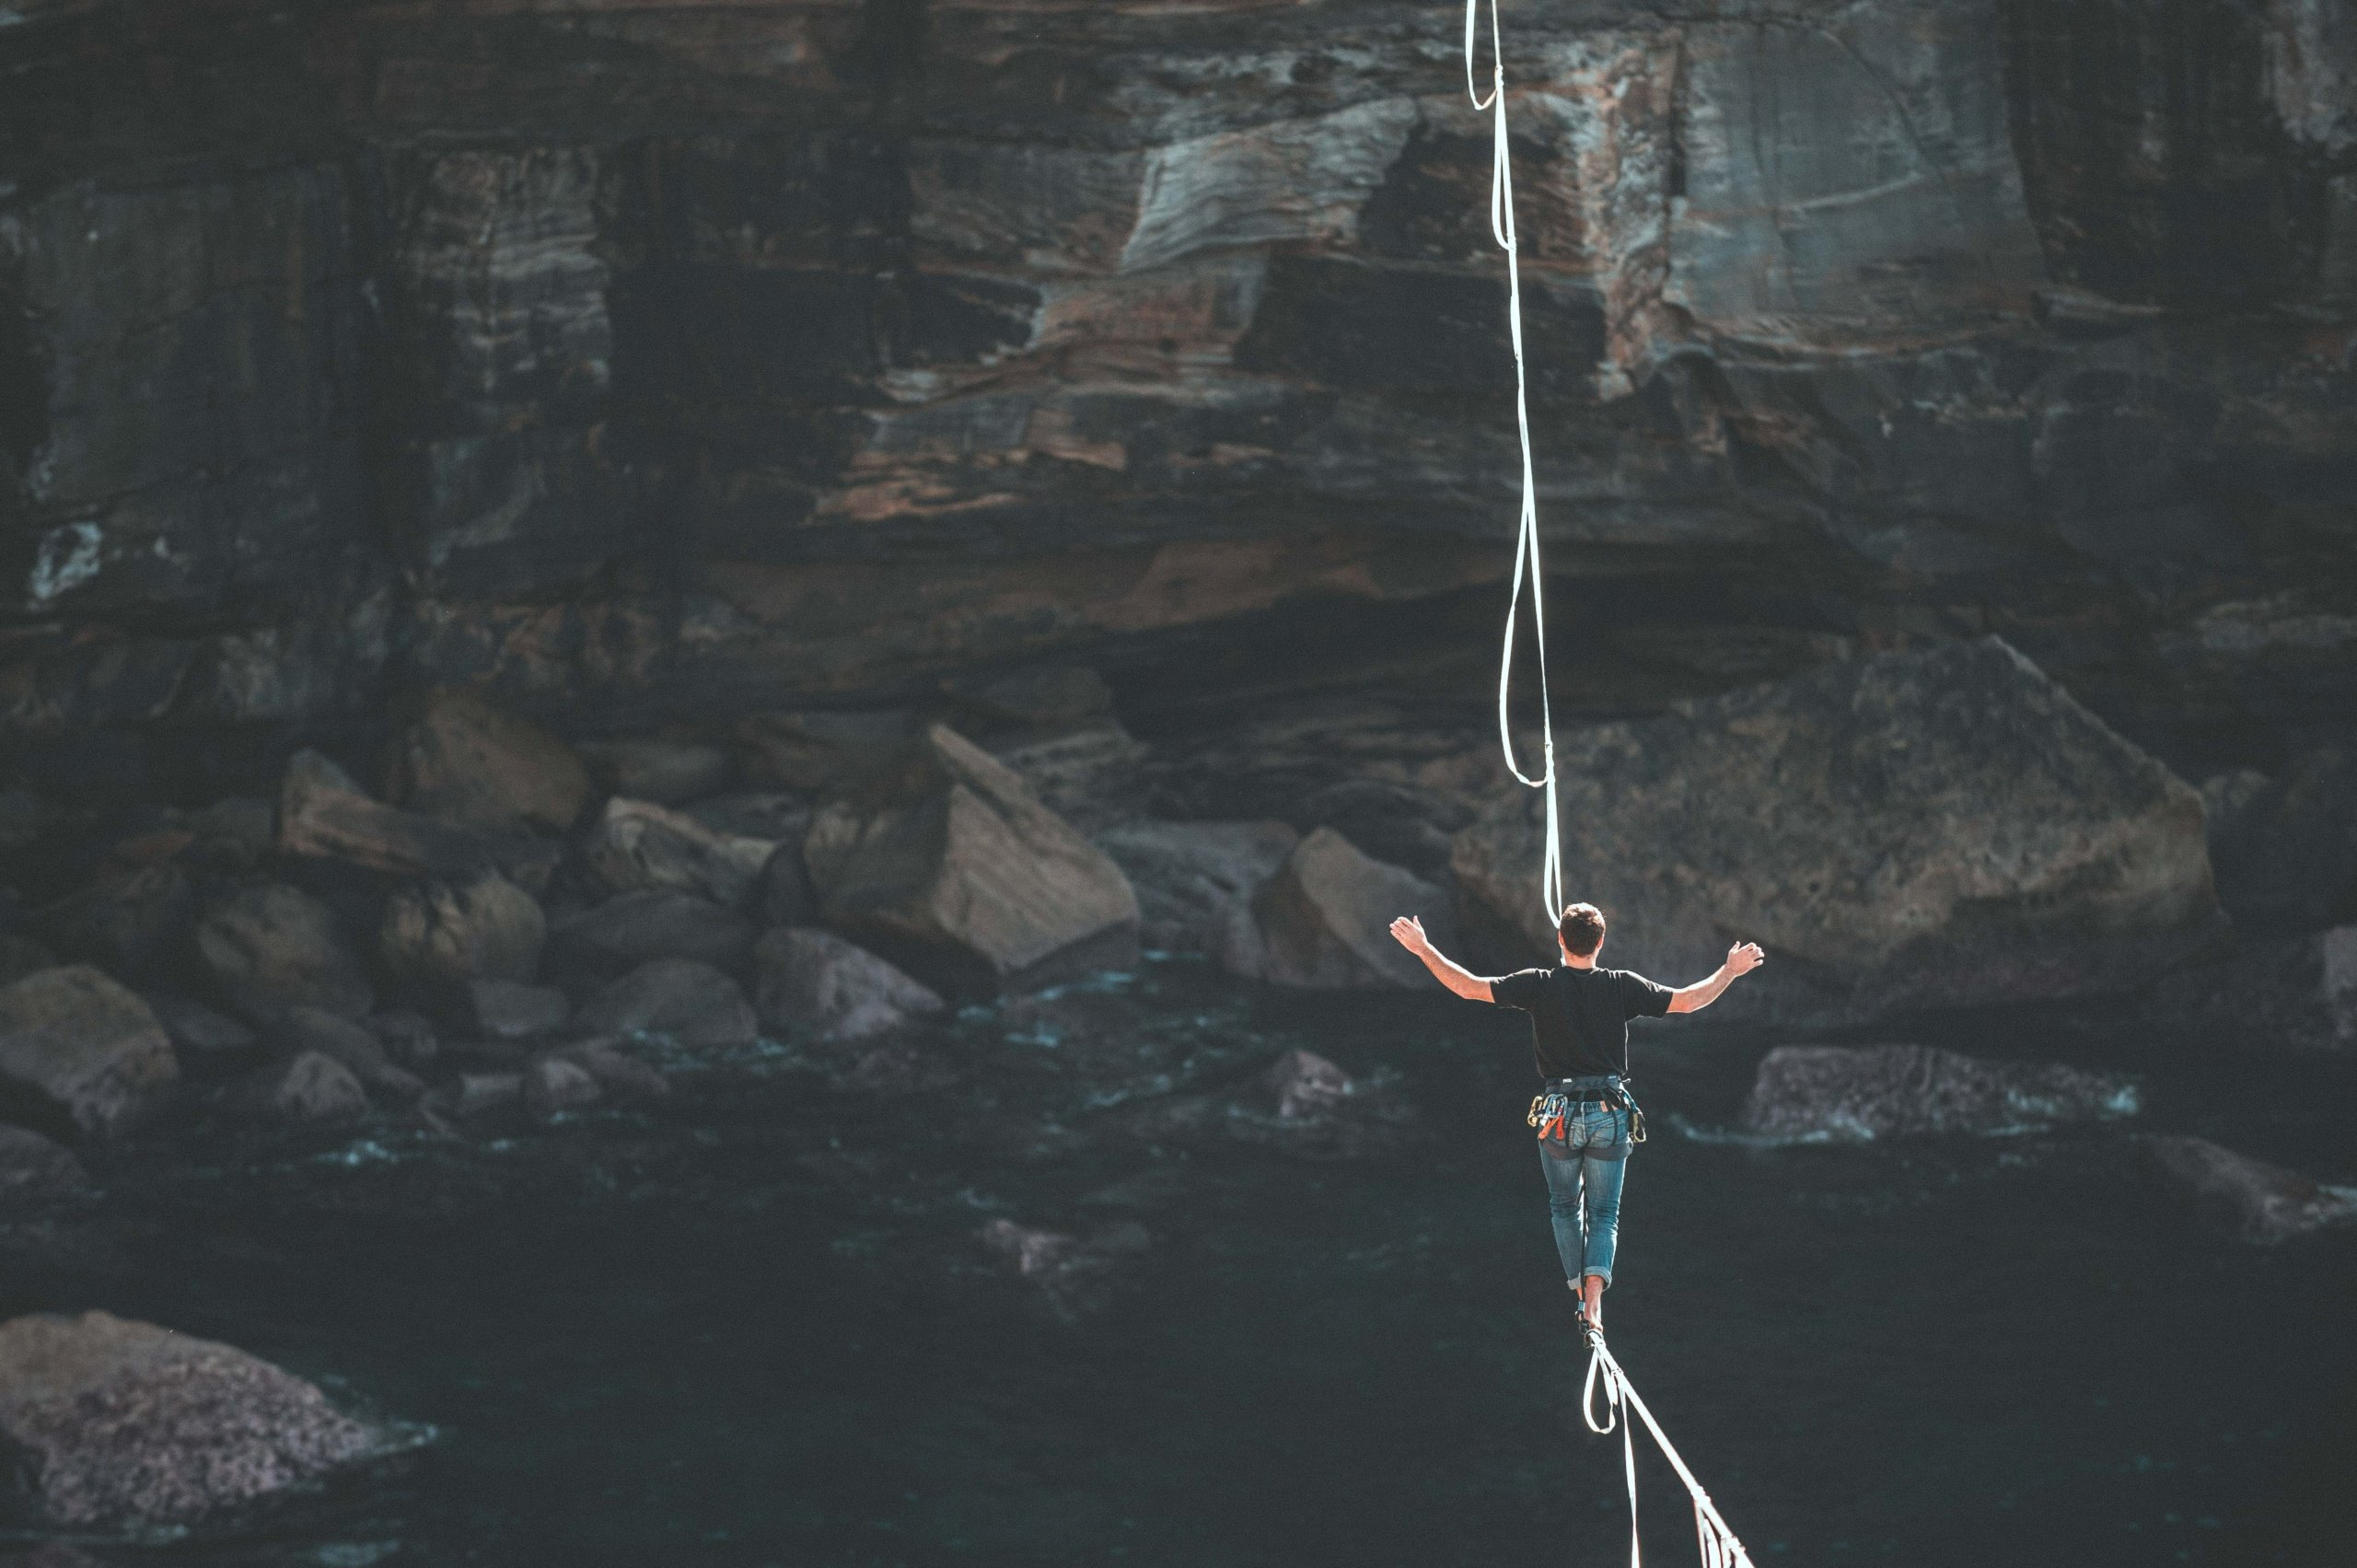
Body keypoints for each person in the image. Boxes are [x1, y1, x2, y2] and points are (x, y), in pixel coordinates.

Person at [1388, 902, 1763, 1332]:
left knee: (1565, 1207)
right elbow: (1688, 1002)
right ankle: (1594, 1304)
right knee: (1605, 1214)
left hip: (1558, 1115)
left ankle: (1578, 1292)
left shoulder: (1538, 985)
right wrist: (1730, 970)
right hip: (1609, 1111)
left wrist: (1423, 949)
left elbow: (1469, 987)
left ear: (1560, 940)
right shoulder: (1623, 986)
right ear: (1601, 942)